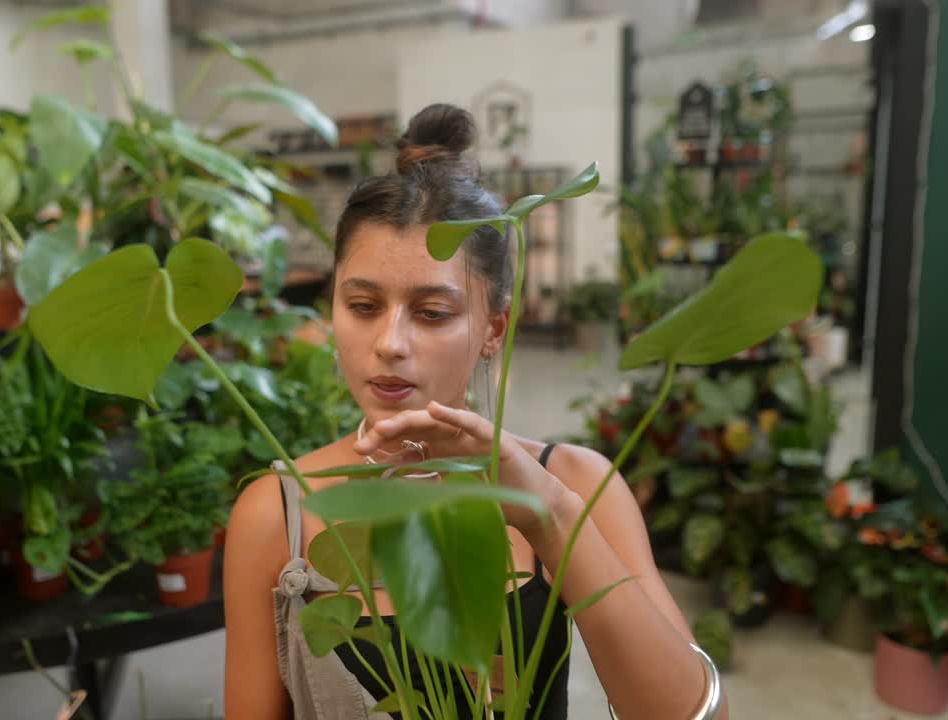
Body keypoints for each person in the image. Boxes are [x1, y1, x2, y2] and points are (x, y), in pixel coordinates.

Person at [223, 103, 727, 720]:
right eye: (361, 306)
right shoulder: (278, 512)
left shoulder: (573, 484)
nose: (390, 342)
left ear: (495, 328)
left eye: (432, 312)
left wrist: (551, 518)